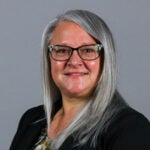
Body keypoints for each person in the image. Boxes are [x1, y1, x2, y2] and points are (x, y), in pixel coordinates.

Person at [10, 9, 150, 150]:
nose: (74, 61)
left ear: (106, 59)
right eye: (62, 50)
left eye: (88, 50)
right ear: (48, 59)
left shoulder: (130, 128)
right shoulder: (31, 120)